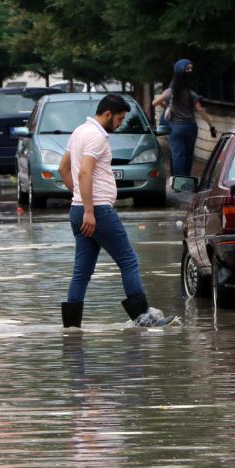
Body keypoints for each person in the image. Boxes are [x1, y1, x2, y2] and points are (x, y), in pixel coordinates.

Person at [59, 94, 176, 329]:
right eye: (120, 119)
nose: (120, 124)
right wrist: (89, 210)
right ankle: (144, 318)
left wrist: (79, 199)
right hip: (98, 210)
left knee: (81, 271)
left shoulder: (79, 132)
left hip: (79, 208)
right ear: (108, 114)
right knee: (128, 260)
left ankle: (71, 328)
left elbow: (63, 169)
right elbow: (84, 173)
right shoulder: (96, 137)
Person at [152, 59, 216, 181]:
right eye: (188, 69)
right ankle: (187, 180)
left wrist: (167, 107)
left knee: (178, 155)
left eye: (191, 68)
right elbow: (200, 110)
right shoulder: (191, 94)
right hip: (190, 127)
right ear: (181, 71)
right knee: (188, 155)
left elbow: (154, 102)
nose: (191, 71)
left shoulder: (170, 92)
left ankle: (179, 182)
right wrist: (211, 125)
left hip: (175, 127)